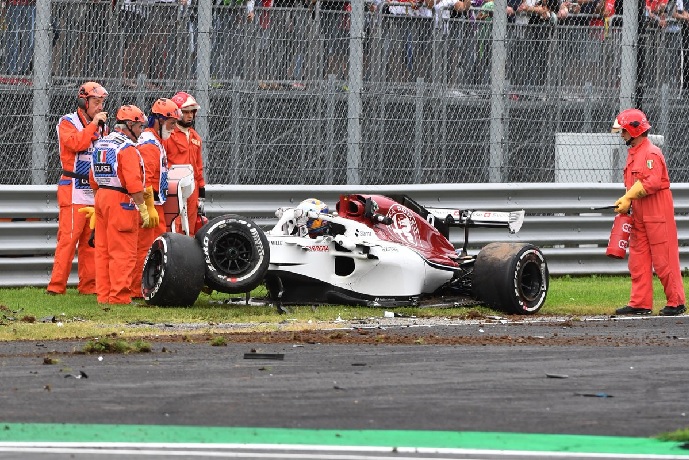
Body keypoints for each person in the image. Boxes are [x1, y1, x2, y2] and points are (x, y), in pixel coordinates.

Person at [611, 109, 686, 316]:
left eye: (623, 130)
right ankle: (640, 303)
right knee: (638, 259)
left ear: (634, 130)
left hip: (657, 210)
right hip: (640, 211)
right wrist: (627, 201)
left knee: (664, 259)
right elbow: (634, 185)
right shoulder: (634, 153)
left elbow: (650, 183)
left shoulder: (651, 153)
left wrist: (627, 198)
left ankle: (676, 301)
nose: (621, 134)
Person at [47, 82, 109, 296]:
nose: (100, 107)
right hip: (73, 187)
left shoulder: (103, 127)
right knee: (68, 238)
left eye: (102, 103)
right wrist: (93, 127)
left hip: (94, 189)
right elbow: (75, 144)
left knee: (91, 241)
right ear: (83, 102)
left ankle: (89, 286)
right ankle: (56, 287)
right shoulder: (67, 121)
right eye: (96, 102)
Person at [89, 105, 152, 305]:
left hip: (101, 197)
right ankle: (119, 297)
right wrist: (143, 209)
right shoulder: (127, 148)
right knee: (123, 252)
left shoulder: (101, 143)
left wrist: (99, 201)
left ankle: (104, 296)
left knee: (103, 251)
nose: (141, 132)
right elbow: (133, 183)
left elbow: (92, 178)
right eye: (140, 127)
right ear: (130, 124)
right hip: (121, 201)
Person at [130, 98, 181, 298]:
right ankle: (136, 289)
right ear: (159, 120)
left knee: (150, 248)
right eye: (171, 123)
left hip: (154, 202)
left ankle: (141, 287)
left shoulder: (154, 141)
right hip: (150, 204)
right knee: (144, 248)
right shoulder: (150, 144)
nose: (173, 128)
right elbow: (147, 178)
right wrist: (148, 207)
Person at [165, 91, 206, 236]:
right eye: (186, 112)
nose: (190, 115)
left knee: (191, 224)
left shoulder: (195, 137)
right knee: (173, 225)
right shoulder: (168, 135)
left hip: (192, 187)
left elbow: (198, 166)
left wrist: (201, 187)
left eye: (192, 112)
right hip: (174, 186)